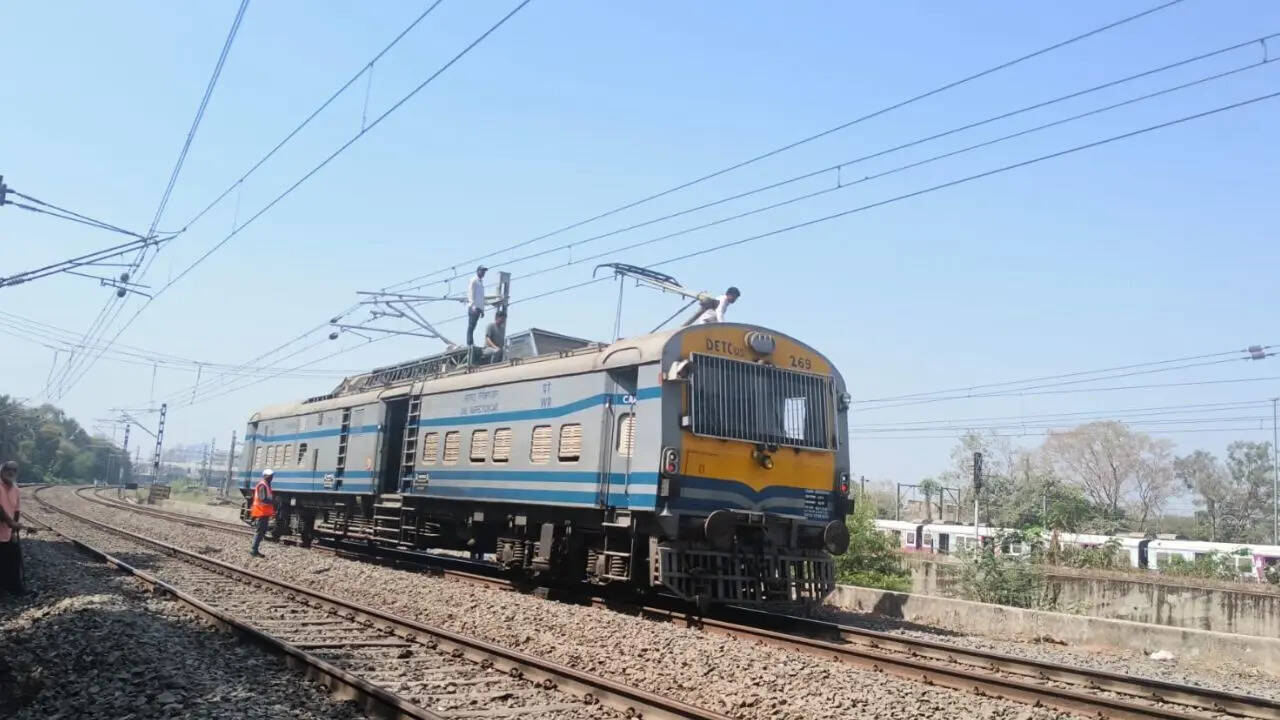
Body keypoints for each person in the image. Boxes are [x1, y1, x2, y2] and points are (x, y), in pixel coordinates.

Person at [0, 461, 24, 594]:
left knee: (14, 560)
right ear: (2, 470)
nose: (11, 472)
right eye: (8, 469)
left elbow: (16, 510)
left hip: (7, 533)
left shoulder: (16, 489)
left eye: (14, 470)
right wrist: (10, 523)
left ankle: (15, 588)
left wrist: (14, 530)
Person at [249, 469, 275, 558]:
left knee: (261, 532)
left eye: (272, 476)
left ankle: (255, 549)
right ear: (265, 476)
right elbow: (263, 499)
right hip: (260, 512)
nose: (271, 477)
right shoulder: (262, 485)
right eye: (270, 476)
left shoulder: (266, 485)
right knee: (259, 532)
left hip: (264, 513)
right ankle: (253, 550)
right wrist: (273, 501)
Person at [466, 265, 488, 347]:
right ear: (478, 271)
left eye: (484, 272)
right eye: (482, 271)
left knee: (474, 325)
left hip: (478, 308)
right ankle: (469, 342)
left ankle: (471, 342)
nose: (483, 273)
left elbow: (481, 297)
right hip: (473, 308)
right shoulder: (474, 280)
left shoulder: (480, 282)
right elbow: (470, 293)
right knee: (471, 326)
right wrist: (472, 306)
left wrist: (482, 310)